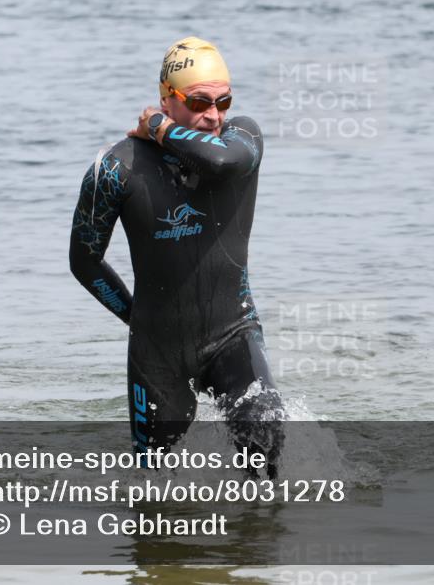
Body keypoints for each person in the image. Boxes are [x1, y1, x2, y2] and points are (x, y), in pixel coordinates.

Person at [69, 37, 283, 477]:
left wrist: (160, 130)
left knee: (267, 458)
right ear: (167, 99)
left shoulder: (243, 139)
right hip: (157, 354)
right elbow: (84, 261)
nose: (214, 115)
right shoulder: (115, 169)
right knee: (155, 498)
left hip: (233, 335)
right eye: (199, 101)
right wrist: (138, 318)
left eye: (223, 100)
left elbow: (219, 163)